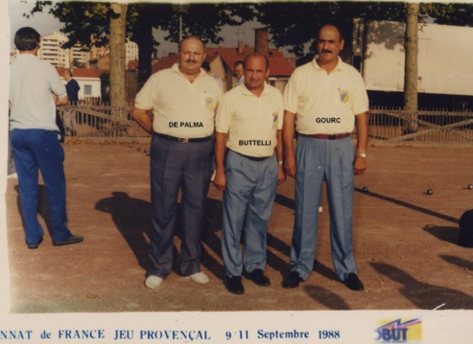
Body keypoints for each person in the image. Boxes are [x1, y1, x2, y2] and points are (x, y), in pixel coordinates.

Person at [281, 23, 368, 291]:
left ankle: (346, 269)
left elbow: (361, 116)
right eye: (321, 41)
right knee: (305, 209)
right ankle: (299, 266)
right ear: (316, 44)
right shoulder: (301, 74)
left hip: (341, 146)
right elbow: (288, 116)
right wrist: (289, 154)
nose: (326, 46)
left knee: (342, 210)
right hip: (309, 144)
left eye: (331, 42)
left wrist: (362, 151)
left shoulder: (352, 75)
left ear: (341, 44)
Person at [131, 36, 223, 289]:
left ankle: (191, 264)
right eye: (186, 53)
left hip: (201, 152)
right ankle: (160, 266)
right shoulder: (160, 78)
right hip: (167, 149)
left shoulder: (214, 84)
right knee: (163, 208)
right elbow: (138, 111)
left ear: (204, 56)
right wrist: (160, 134)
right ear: (178, 53)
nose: (191, 58)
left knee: (195, 209)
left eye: (196, 53)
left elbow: (221, 121)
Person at [214, 53, 286, 295]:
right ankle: (233, 271)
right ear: (243, 71)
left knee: (259, 218)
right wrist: (220, 170)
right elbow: (220, 136)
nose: (254, 76)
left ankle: (255, 266)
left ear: (267, 72)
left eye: (259, 71)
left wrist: (279, 164)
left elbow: (279, 133)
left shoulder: (276, 96)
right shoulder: (231, 97)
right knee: (233, 220)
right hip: (238, 162)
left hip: (266, 163)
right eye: (250, 71)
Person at [9, 27, 83, 249]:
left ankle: (32, 237)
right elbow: (63, 98)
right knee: (54, 184)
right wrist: (47, 99)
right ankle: (59, 233)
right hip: (42, 131)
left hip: (18, 131)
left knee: (27, 186)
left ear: (16, 46)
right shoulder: (45, 67)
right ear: (37, 46)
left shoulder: (8, 69)